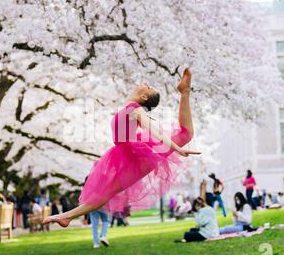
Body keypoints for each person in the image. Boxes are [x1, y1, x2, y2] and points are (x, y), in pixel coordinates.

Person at [43, 68, 200, 227]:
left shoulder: (134, 108)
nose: (147, 83)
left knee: (185, 135)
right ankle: (66, 217)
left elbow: (153, 129)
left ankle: (184, 92)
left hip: (138, 155)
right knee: (106, 191)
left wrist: (175, 147)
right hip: (127, 155)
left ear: (144, 96)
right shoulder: (129, 108)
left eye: (149, 87)